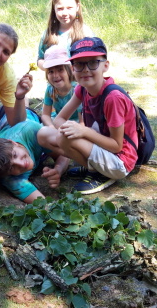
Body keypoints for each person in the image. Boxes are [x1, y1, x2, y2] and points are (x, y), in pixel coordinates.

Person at [47, 37, 138, 195]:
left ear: (105, 65)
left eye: (93, 62)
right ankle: (93, 167)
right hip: (102, 147)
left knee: (63, 138)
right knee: (44, 134)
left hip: (120, 161)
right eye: (79, 64)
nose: (85, 69)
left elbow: (117, 146)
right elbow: (58, 120)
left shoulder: (113, 98)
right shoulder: (82, 89)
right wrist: (74, 129)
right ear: (73, 69)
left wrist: (83, 132)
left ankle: (100, 174)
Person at [0, 107, 69, 204]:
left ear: (13, 143)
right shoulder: (8, 177)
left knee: (47, 131)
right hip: (4, 130)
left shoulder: (33, 131)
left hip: (20, 114)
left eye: (15, 155)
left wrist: (59, 169)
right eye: (12, 167)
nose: (22, 164)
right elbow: (43, 204)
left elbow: (65, 153)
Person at [36, 0, 94, 71]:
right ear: (54, 8)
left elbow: (94, 59)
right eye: (60, 8)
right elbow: (40, 59)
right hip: (56, 79)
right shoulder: (49, 34)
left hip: (80, 79)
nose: (64, 13)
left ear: (77, 7)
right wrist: (51, 68)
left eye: (69, 8)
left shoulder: (86, 33)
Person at [41, 45, 81, 127]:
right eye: (51, 72)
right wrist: (51, 127)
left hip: (76, 125)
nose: (55, 75)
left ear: (69, 70)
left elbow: (82, 122)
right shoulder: (50, 89)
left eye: (60, 70)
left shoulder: (77, 90)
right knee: (42, 130)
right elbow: (45, 115)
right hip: (58, 123)